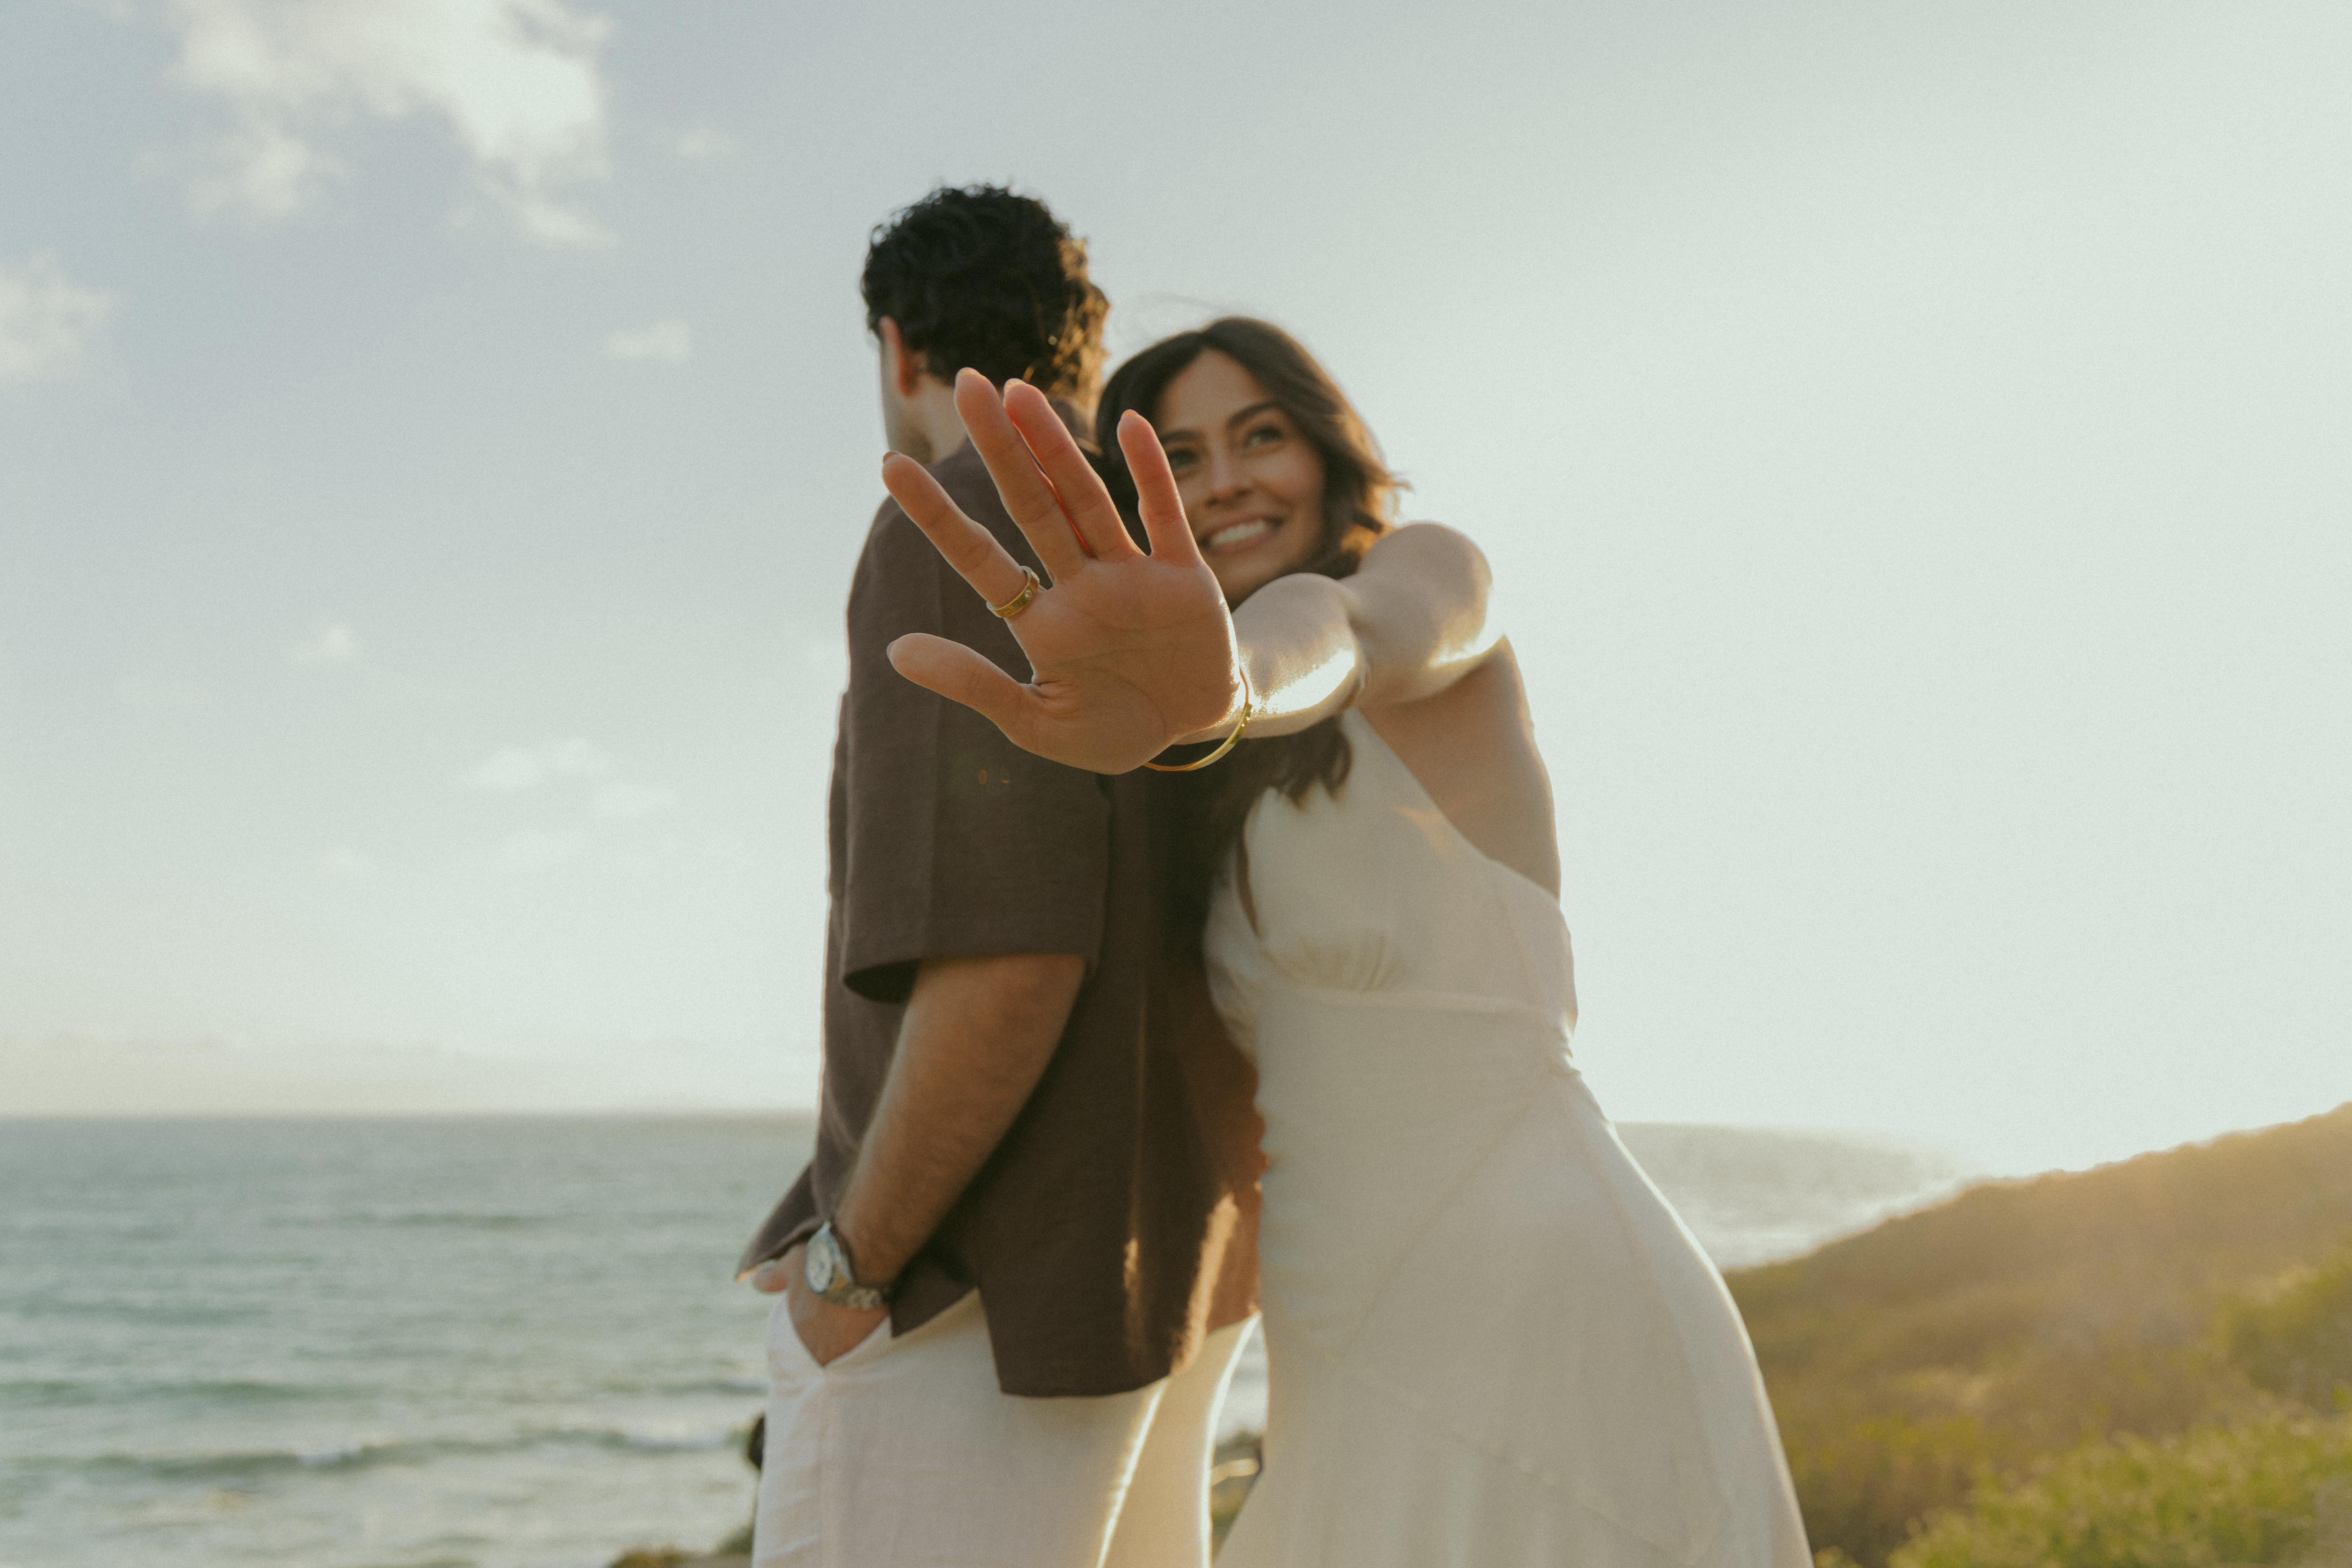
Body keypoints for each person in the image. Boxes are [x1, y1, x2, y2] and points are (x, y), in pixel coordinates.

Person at [883, 319, 1815, 1565]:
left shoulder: (1429, 589)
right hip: (1338, 1331)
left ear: (1328, 451)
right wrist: (927, 412)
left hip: (1536, 1283)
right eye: (1185, 454)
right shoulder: (1201, 784)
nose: (1225, 482)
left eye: (1260, 436)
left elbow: (1349, 632)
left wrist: (1229, 687)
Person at [734, 192, 1261, 1568]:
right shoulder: (1166, 566)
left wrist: (851, 1268)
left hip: (974, 1312)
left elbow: (1010, 961)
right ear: (1082, 345)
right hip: (1149, 1286)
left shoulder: (958, 509)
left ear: (899, 347)